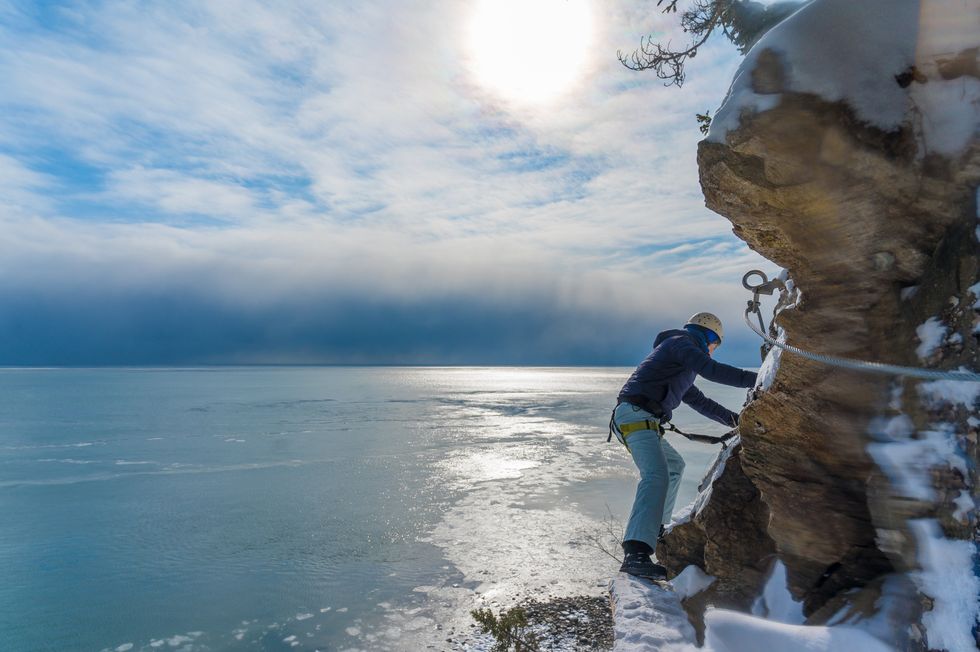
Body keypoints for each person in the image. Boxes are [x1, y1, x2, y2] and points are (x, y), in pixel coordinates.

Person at [611, 312, 758, 580]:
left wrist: (737, 421)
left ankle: (654, 530)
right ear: (709, 338)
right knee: (656, 474)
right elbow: (713, 371)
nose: (713, 350)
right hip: (636, 417)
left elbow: (701, 402)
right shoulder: (681, 343)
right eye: (715, 345)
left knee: (674, 466)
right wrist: (757, 379)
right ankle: (636, 553)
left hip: (639, 419)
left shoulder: (678, 363)